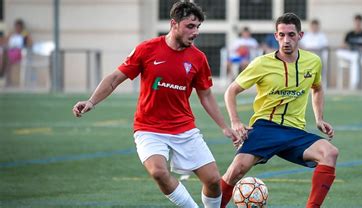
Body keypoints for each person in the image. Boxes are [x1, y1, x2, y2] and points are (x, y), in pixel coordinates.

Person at [72, 2, 239, 208]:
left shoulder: (198, 58)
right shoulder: (147, 49)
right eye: (190, 26)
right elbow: (115, 78)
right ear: (174, 24)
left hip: (184, 128)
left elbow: (205, 95)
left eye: (197, 27)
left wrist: (224, 126)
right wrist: (91, 101)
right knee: (159, 172)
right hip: (149, 128)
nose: (195, 32)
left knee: (213, 180)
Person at [219, 13, 339, 208]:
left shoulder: (313, 61)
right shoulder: (261, 63)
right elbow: (231, 91)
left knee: (330, 153)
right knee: (236, 171)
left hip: (294, 132)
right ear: (276, 36)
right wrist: (236, 122)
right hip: (266, 127)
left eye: (291, 35)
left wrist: (319, 118)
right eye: (282, 35)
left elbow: (317, 88)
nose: (286, 40)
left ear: (300, 35)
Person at [336, 14, 362, 90]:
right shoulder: (350, 34)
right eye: (356, 22)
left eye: (359, 22)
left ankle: (354, 85)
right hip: (350, 54)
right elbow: (342, 45)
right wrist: (347, 47)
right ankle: (354, 84)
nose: (358, 24)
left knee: (356, 59)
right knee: (340, 52)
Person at [3, 19, 33, 87]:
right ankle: (7, 80)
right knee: (4, 56)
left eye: (19, 27)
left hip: (19, 53)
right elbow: (5, 42)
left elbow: (30, 43)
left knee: (5, 59)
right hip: (10, 52)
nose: (17, 28)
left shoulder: (25, 34)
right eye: (16, 27)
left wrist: (25, 39)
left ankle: (3, 75)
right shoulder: (12, 34)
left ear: (21, 27)